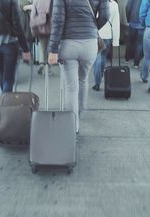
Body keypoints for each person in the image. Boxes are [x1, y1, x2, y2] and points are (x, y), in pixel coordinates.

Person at [48, 0, 109, 133]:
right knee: (83, 79)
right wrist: (91, 28)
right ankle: (80, 112)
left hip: (68, 44)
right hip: (90, 44)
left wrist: (52, 49)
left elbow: (58, 21)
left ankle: (72, 127)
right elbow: (105, 15)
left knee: (71, 87)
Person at [92, 0, 120, 91]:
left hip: (96, 34)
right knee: (103, 56)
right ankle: (101, 75)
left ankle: (97, 82)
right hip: (108, 34)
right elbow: (116, 23)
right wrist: (116, 41)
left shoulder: (93, 2)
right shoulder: (114, 4)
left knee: (97, 57)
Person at [29, 0, 53, 75]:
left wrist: (32, 28)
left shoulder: (36, 1)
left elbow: (32, 16)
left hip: (40, 27)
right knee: (49, 48)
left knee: (42, 47)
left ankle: (42, 63)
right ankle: (48, 68)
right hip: (51, 26)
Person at [125, 0, 144, 68]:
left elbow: (128, 7)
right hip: (142, 24)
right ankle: (136, 63)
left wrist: (128, 19)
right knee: (139, 44)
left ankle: (127, 59)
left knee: (129, 41)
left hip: (132, 21)